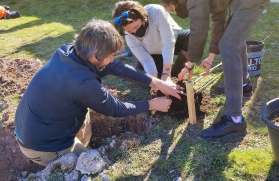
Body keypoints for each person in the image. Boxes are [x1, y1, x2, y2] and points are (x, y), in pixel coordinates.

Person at [14, 19, 183, 166]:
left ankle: (84, 146)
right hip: (44, 145)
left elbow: (114, 66)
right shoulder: (83, 84)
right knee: (94, 168)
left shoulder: (69, 51)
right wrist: (153, 104)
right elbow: (115, 109)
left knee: (83, 124)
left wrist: (157, 82)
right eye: (111, 55)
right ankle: (81, 154)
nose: (113, 59)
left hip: (35, 123)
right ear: (95, 56)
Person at [160, 0, 279, 140]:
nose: (179, 9)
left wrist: (190, 63)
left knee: (230, 45)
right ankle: (244, 83)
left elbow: (199, 24)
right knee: (231, 40)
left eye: (174, 7)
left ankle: (235, 119)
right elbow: (218, 20)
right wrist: (210, 59)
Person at [112, 0, 190, 92]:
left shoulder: (156, 12)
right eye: (130, 31)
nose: (134, 32)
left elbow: (168, 42)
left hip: (174, 42)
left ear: (141, 16)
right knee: (144, 78)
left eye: (135, 27)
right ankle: (164, 76)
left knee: (191, 37)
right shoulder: (129, 36)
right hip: (154, 53)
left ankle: (175, 74)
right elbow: (146, 60)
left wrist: (166, 75)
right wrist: (155, 83)